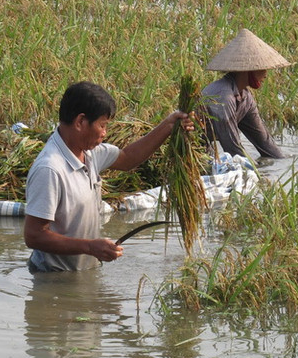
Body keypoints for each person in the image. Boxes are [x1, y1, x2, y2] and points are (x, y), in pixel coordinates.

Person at [24, 81, 193, 273]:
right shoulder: (50, 169)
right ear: (80, 122)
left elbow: (128, 158)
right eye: (102, 125)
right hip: (54, 279)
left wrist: (169, 125)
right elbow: (34, 236)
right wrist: (89, 247)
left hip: (84, 272)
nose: (105, 133)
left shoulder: (89, 153)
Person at [201, 28, 291, 160]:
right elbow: (232, 149)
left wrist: (282, 164)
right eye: (262, 68)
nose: (265, 74)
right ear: (248, 70)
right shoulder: (223, 97)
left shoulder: (245, 98)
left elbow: (264, 142)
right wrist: (254, 172)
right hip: (190, 151)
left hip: (205, 152)